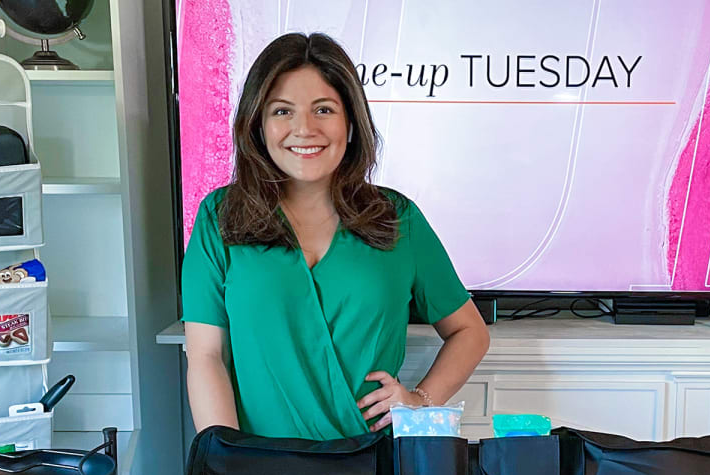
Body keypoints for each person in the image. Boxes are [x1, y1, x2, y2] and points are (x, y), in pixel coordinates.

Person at [182, 32, 490, 440]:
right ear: (257, 124)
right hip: (257, 472)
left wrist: (420, 399)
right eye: (282, 111)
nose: (304, 128)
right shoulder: (220, 217)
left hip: (368, 470)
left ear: (350, 122)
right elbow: (206, 357)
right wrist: (227, 462)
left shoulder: (397, 219)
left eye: (323, 109)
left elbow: (470, 332)